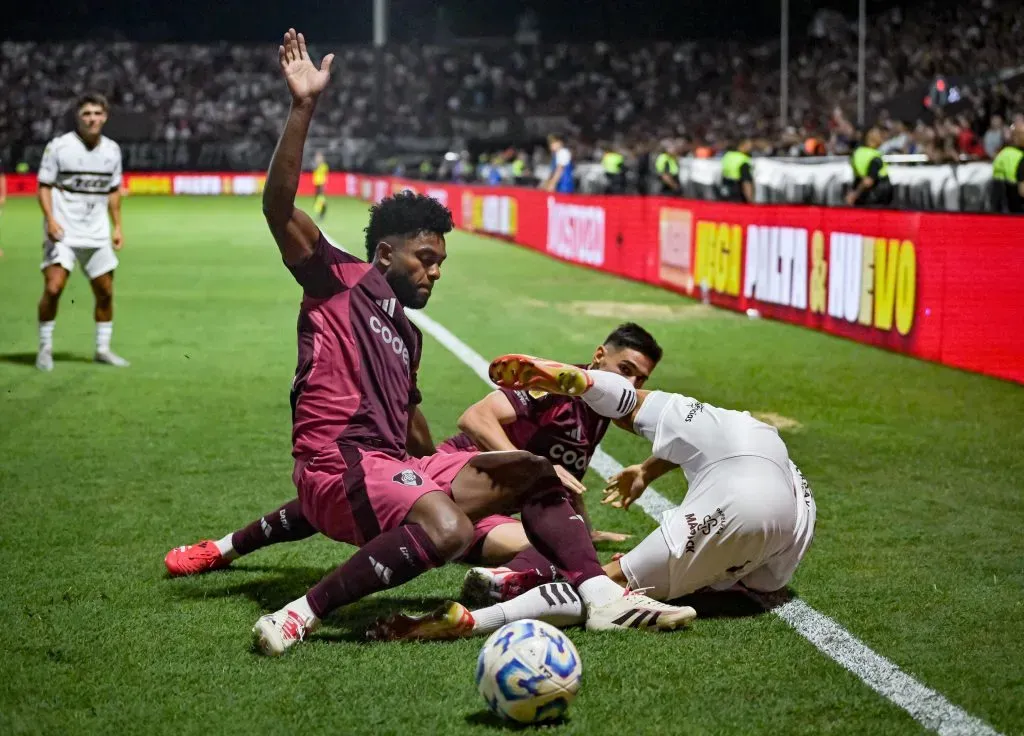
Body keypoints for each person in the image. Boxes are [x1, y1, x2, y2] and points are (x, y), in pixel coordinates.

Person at [219, 29, 694, 657]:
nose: (435, 272)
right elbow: (279, 209)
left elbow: (414, 430)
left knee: (534, 469)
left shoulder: (408, 337)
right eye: (425, 258)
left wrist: (480, 489)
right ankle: (298, 613)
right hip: (335, 465)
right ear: (385, 255)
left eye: (441, 261)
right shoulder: (338, 277)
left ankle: (599, 597)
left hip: (388, 467)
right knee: (444, 528)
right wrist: (303, 106)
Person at [372, 354, 815, 640]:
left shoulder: (723, 424)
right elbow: (762, 580)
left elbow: (637, 411)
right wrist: (642, 471)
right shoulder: (780, 484)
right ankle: (493, 602)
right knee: (603, 579)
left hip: (736, 454)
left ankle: (586, 381)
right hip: (779, 501)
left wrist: (587, 389)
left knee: (601, 581)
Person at [164, 323, 663, 569]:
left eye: (639, 378)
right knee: (346, 502)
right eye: (624, 370)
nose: (630, 384)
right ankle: (224, 548)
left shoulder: (607, 406)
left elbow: (569, 477)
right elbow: (475, 417)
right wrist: (531, 466)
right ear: (599, 356)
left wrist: (584, 525)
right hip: (457, 476)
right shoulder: (555, 384)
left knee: (557, 550)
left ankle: (501, 588)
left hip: (497, 507)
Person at [35, 93, 128, 371]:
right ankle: (45, 348)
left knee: (105, 292)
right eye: (87, 113)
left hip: (96, 232)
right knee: (54, 287)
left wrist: (117, 226)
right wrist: (50, 220)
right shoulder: (59, 147)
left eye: (97, 113)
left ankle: (102, 349)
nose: (92, 119)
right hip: (63, 230)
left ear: (105, 117)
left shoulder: (112, 150)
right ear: (78, 117)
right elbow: (44, 186)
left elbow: (113, 191)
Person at [845, 128, 893, 207]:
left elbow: (858, 176)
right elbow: (868, 181)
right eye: (880, 137)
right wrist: (854, 195)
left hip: (864, 197)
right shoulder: (875, 156)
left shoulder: (858, 153)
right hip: (875, 199)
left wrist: (853, 193)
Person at [991, 123, 1024, 214]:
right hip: (1014, 207)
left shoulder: (1004, 152)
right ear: (1016, 137)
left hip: (1000, 206)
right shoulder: (1016, 156)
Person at [311, 151, 328, 222]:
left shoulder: (323, 166)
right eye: (317, 157)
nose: (317, 159)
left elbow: (324, 173)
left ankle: (321, 214)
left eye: (319, 157)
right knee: (318, 200)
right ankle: (321, 214)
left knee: (320, 200)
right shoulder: (315, 165)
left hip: (321, 185)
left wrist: (324, 186)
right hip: (317, 184)